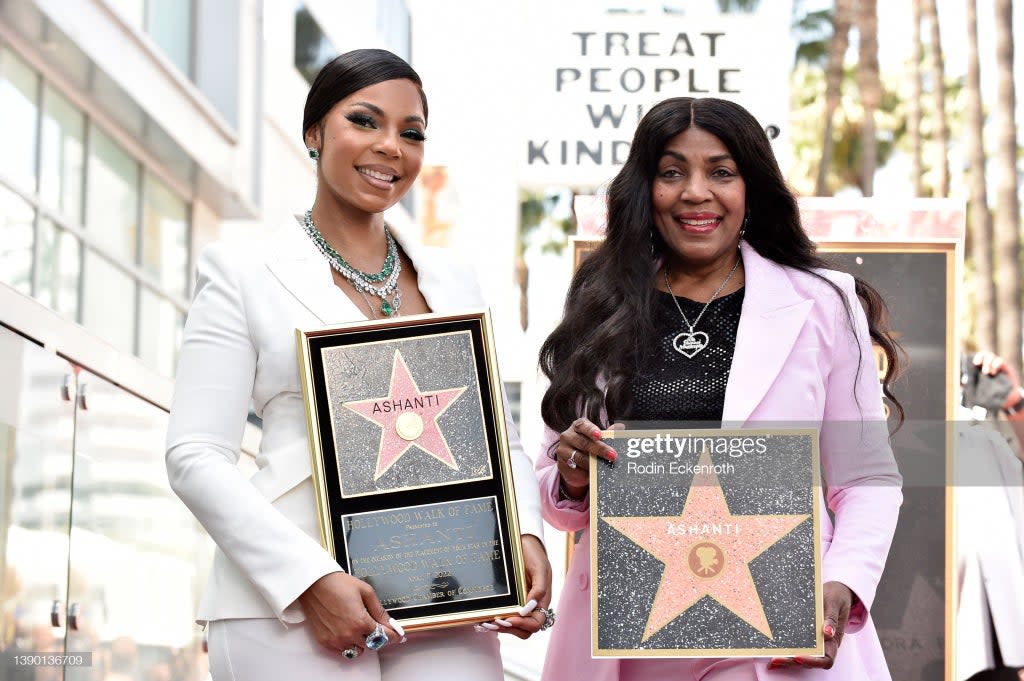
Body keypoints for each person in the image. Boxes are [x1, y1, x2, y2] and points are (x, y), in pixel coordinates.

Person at [165, 48, 552, 681]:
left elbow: (492, 435)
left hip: (445, 592)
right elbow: (193, 454)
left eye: (412, 132)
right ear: (314, 132)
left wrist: (523, 534)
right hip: (285, 607)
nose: (390, 147)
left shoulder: (452, 279)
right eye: (365, 121)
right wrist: (308, 579)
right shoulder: (242, 273)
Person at [535, 97, 904, 680]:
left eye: (721, 172)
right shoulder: (602, 304)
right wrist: (573, 473)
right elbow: (556, 490)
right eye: (672, 172)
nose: (696, 193)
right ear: (645, 189)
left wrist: (843, 581)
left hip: (777, 640)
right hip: (630, 646)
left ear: (751, 188)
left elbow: (866, 482)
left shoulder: (823, 304)